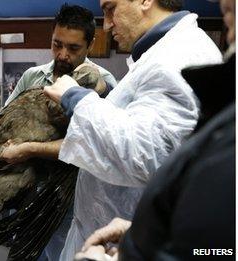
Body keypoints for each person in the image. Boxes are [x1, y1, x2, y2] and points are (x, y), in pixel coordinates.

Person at [42, 0, 223, 260]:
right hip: (114, 232)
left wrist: (75, 98)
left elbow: (145, 154)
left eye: (110, 8)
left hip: (125, 241)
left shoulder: (178, 56)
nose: (106, 24)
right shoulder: (160, 54)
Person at [0, 4, 117, 260]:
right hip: (26, 189)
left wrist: (31, 149)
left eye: (73, 48)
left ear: (90, 45)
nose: (62, 54)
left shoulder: (106, 85)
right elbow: (6, 123)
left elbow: (95, 145)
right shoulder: (32, 77)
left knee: (65, 252)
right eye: (56, 44)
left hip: (69, 198)